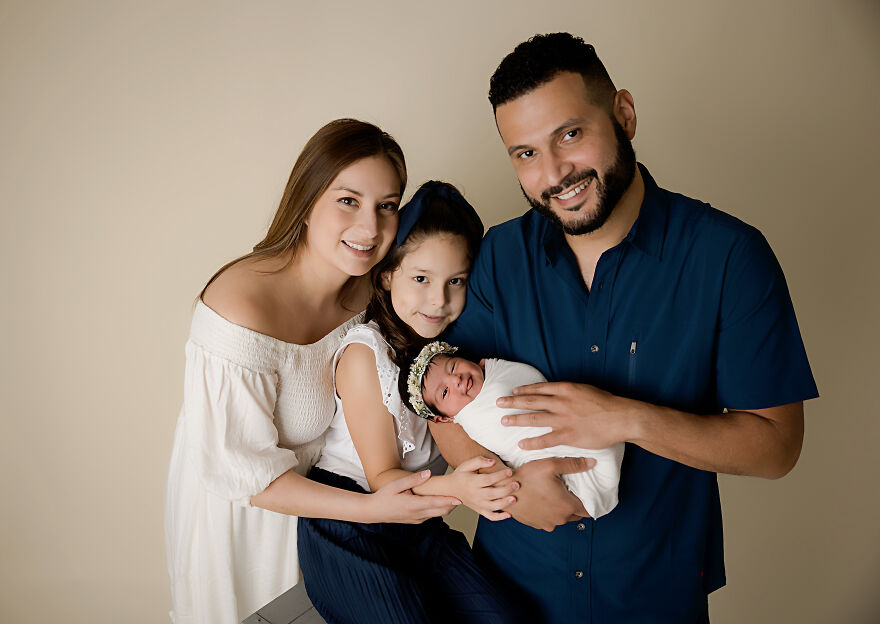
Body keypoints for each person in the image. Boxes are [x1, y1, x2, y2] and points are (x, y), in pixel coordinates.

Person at [430, 33, 819, 622]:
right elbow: (442, 408)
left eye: (569, 134)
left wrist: (628, 419)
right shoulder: (498, 257)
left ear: (624, 114)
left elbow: (776, 447)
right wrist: (510, 493)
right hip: (506, 596)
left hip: (653, 594)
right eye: (526, 153)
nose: (554, 173)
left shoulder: (730, 257)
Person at [164, 120, 464, 624]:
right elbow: (246, 476)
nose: (370, 228)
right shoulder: (239, 309)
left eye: (386, 206)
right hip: (251, 518)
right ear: (306, 201)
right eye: (348, 200)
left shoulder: (377, 291)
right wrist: (372, 508)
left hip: (332, 519)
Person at [297, 181, 522, 624]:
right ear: (387, 275)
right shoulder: (365, 354)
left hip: (417, 522)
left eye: (456, 281)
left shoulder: (455, 356)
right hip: (351, 525)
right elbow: (382, 479)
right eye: (421, 279)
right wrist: (459, 489)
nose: (439, 300)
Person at [408, 343, 624, 518]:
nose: (456, 379)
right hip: (554, 474)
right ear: (445, 418)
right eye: (445, 392)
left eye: (453, 367)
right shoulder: (472, 419)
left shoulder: (494, 369)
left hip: (586, 430)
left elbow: (526, 379)